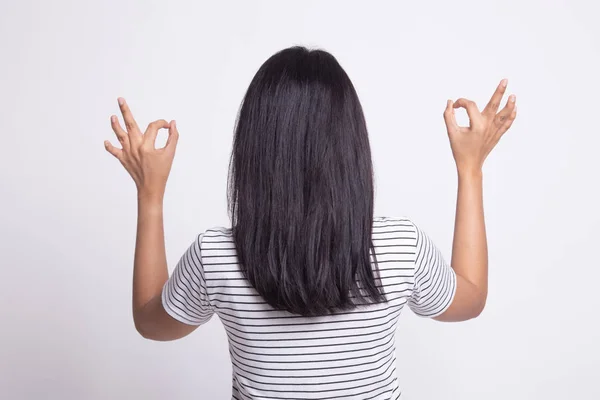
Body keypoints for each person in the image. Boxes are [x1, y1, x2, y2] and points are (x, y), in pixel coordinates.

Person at [104, 46, 517, 399]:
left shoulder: (216, 255)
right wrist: (471, 169)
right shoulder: (400, 247)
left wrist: (150, 195)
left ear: (255, 146)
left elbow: (151, 322)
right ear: (351, 144)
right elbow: (471, 299)